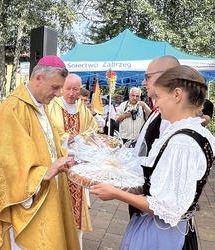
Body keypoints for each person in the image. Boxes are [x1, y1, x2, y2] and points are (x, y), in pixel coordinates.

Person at [90, 65, 215, 249]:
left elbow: (166, 207)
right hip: (177, 230)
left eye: (158, 97)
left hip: (162, 234)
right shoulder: (198, 133)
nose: (156, 104)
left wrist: (116, 193)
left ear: (177, 95)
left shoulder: (181, 142)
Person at [0, 55, 80, 249]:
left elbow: (47, 146)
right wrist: (43, 173)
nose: (58, 94)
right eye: (55, 87)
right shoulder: (11, 110)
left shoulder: (41, 106)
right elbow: (7, 167)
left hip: (50, 194)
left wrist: (66, 157)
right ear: (38, 78)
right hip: (28, 203)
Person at [47, 73, 96, 247]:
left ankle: (75, 244)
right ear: (62, 88)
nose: (71, 93)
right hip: (59, 165)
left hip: (77, 166)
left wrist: (81, 137)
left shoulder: (82, 109)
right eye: (68, 88)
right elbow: (49, 130)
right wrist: (69, 138)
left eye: (75, 89)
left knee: (76, 210)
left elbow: (93, 129)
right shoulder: (53, 106)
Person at [129, 55, 180, 219]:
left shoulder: (172, 119)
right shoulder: (158, 112)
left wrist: (117, 192)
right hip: (144, 199)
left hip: (155, 210)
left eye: (148, 77)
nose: (144, 82)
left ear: (165, 76)